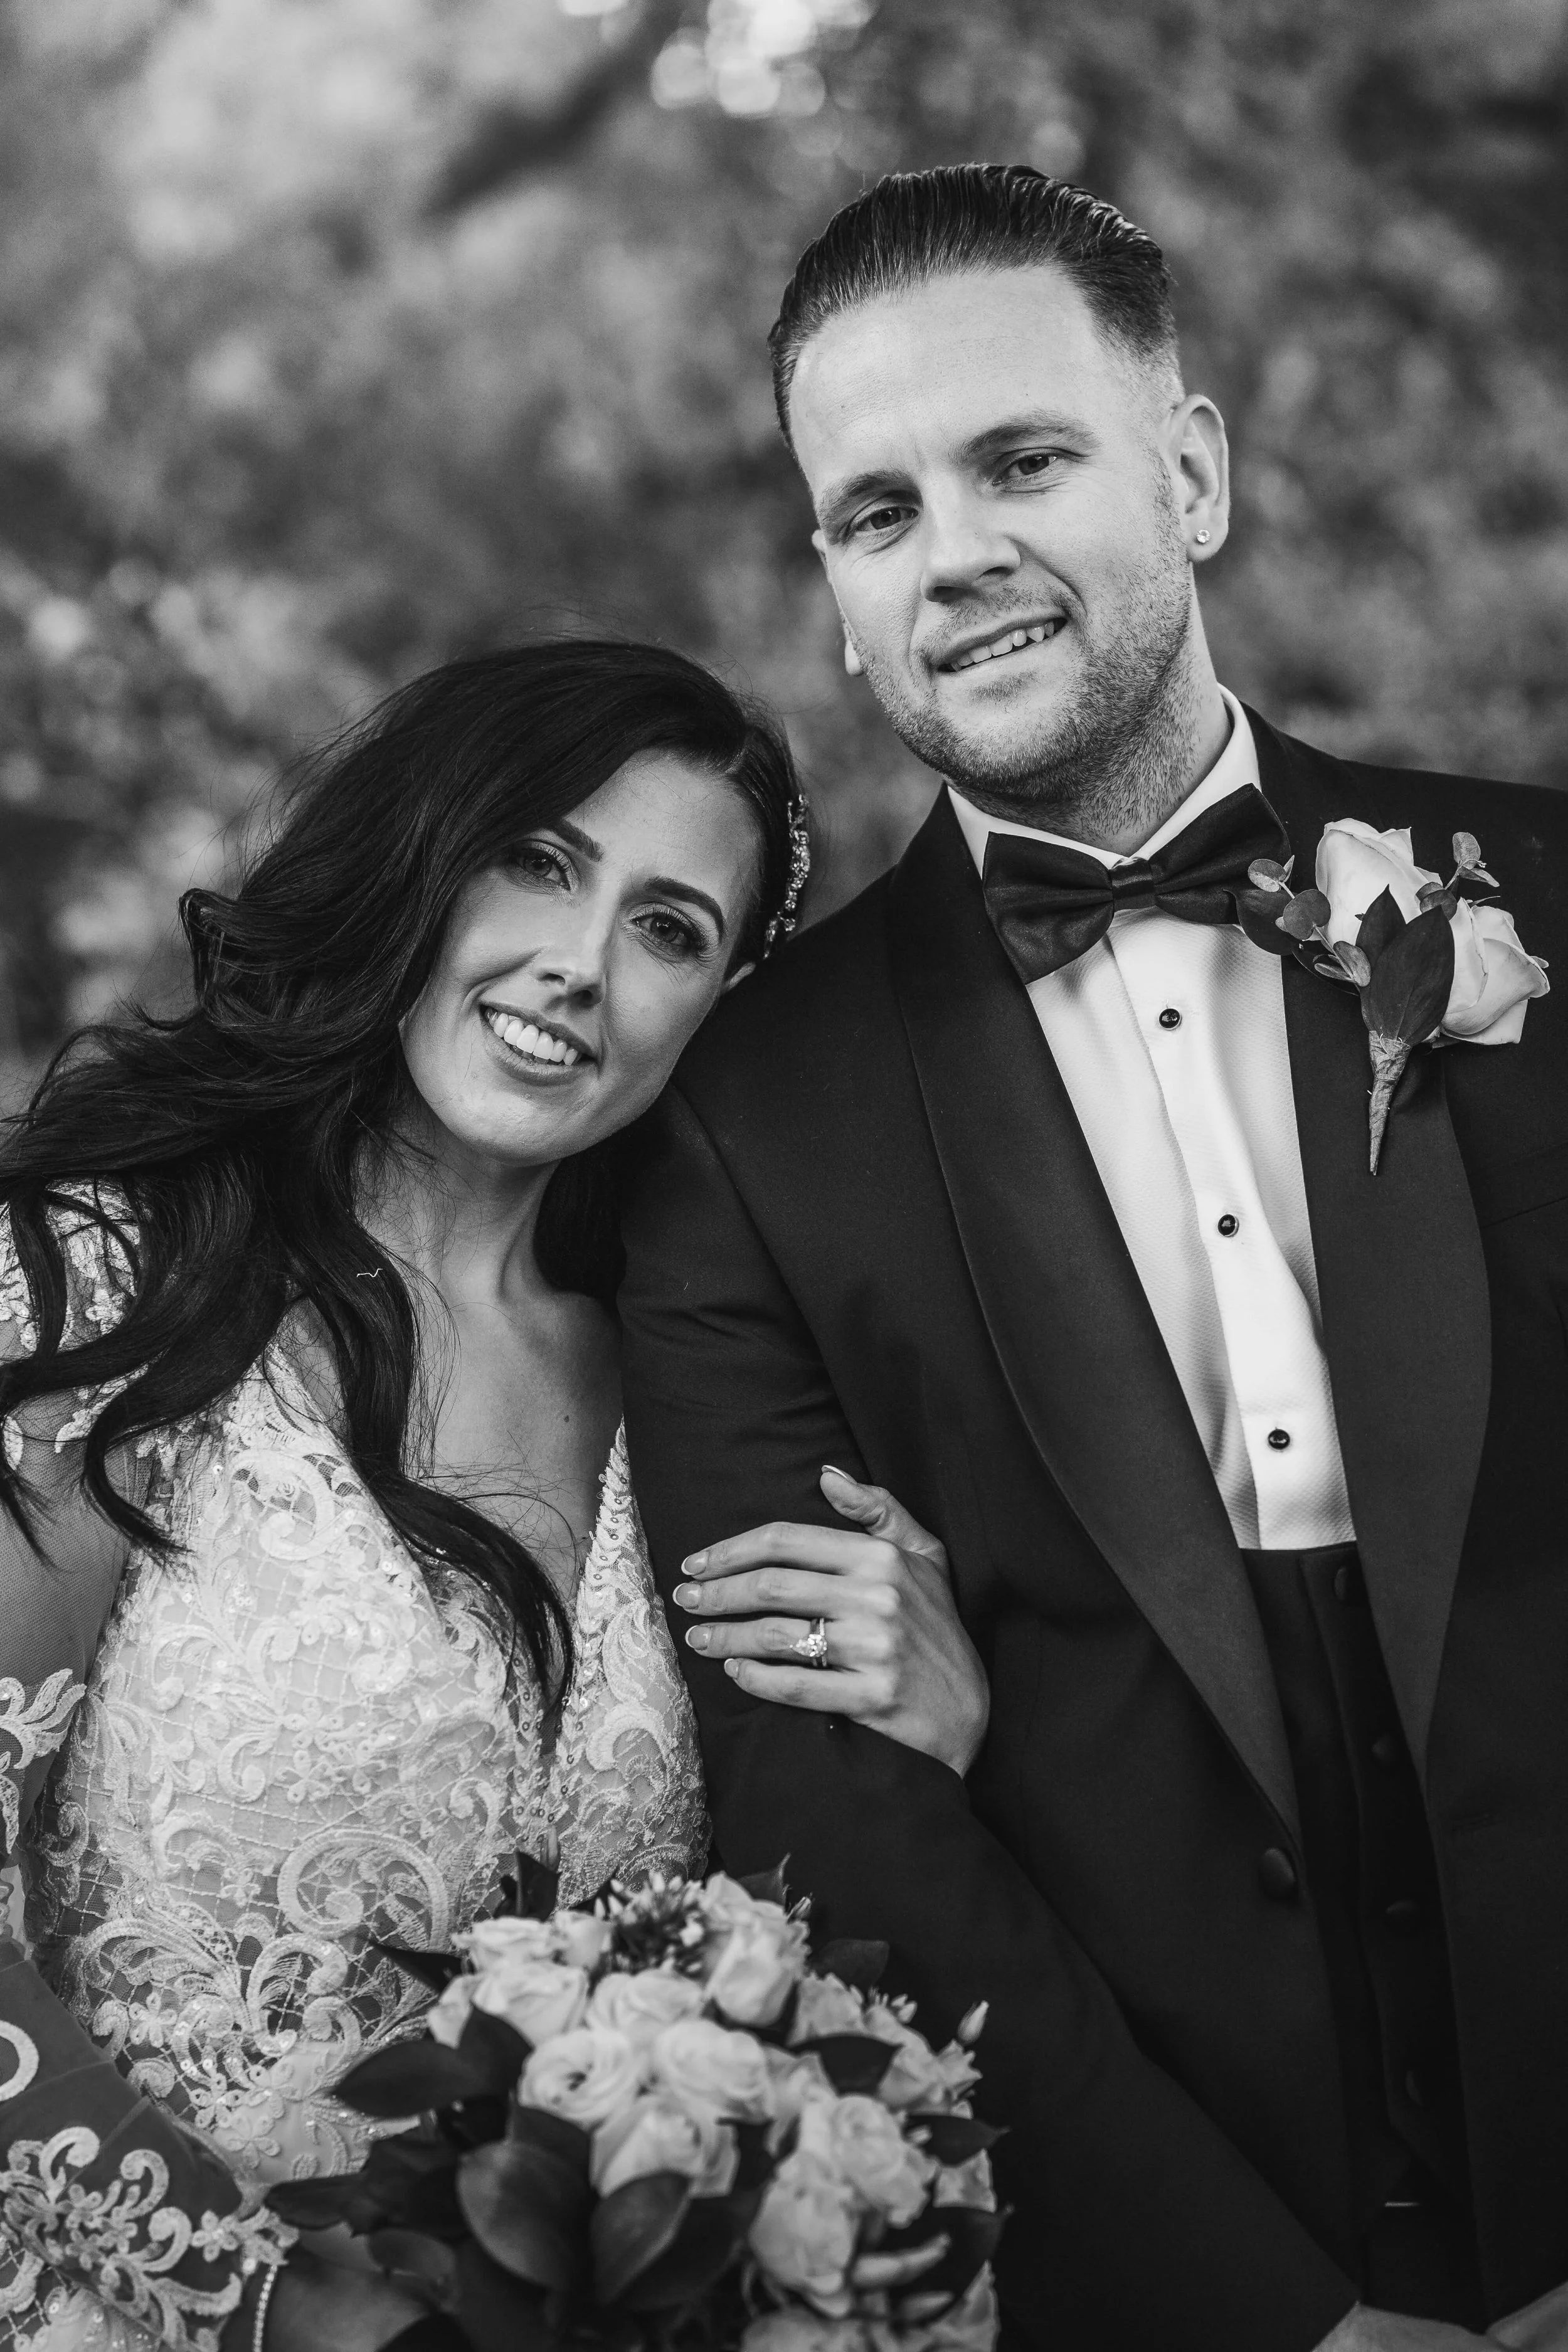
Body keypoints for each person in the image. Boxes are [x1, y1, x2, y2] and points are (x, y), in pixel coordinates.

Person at [617, 167, 1568, 2351]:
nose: (950, 551)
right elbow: (824, 1783)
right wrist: (1263, 2319)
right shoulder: (744, 1115)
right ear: (838, 595)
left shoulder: (1541, 897)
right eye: (876, 511)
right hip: (1166, 2230)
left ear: (1192, 475)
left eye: (1022, 460)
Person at [0, 639, 986, 2352]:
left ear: (720, 1006)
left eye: (669, 929)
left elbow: (752, 1949)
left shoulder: (698, 1390)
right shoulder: (108, 1283)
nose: (579, 966)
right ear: (415, 858)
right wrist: (275, 2298)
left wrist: (936, 1731)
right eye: (537, 861)